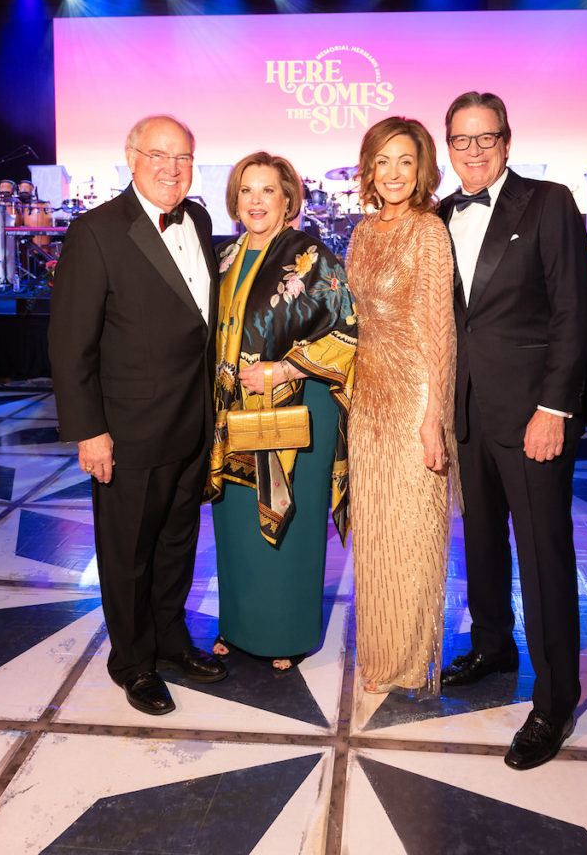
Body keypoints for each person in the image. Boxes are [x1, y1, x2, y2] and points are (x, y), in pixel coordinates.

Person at [48, 114, 227, 716]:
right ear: (131, 158)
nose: (172, 168)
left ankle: (171, 641)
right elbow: (71, 343)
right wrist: (89, 431)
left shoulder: (198, 218)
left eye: (183, 157)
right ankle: (132, 661)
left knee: (178, 542)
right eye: (159, 155)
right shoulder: (97, 232)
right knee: (127, 552)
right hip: (126, 431)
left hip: (191, 419)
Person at [437, 91, 587, 769]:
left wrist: (554, 409)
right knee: (482, 545)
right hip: (468, 414)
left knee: (544, 556)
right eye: (461, 140)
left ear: (505, 140)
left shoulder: (549, 201)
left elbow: (572, 312)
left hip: (533, 417)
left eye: (485, 138)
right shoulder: (440, 215)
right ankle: (493, 644)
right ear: (448, 145)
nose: (472, 151)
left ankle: (555, 701)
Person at [206, 152, 357, 671]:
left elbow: (347, 330)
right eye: (246, 190)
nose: (255, 200)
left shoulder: (311, 254)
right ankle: (239, 626)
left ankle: (285, 632)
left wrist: (285, 371)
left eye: (267, 190)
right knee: (235, 523)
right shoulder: (223, 257)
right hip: (232, 413)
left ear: (288, 198)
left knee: (290, 517)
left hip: (298, 406)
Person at [346, 116, 459, 696]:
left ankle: (412, 660)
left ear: (421, 170)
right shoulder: (362, 233)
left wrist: (434, 416)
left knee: (413, 533)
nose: (393, 173)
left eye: (405, 162)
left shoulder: (429, 230)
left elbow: (438, 331)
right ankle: (380, 652)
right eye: (382, 161)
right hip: (366, 399)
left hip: (415, 396)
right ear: (369, 167)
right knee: (374, 532)